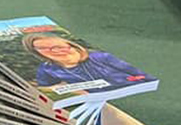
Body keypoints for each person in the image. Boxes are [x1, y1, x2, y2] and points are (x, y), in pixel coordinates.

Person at [21, 33, 151, 92]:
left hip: (125, 91)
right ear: (37, 53)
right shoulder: (47, 69)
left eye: (57, 45)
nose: (54, 51)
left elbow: (142, 76)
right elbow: (45, 89)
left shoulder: (100, 57)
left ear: (69, 44)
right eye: (43, 48)